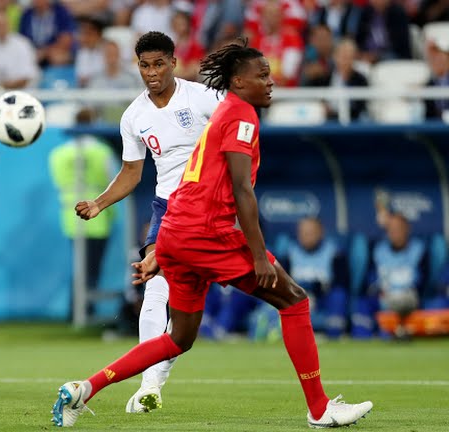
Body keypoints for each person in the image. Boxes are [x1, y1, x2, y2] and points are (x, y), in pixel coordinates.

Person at [51, 38, 373, 429]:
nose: (271, 82)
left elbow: (192, 182)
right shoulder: (239, 115)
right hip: (203, 230)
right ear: (238, 82)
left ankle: (84, 389)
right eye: (262, 76)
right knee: (294, 301)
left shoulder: (213, 105)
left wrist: (166, 248)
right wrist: (258, 255)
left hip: (177, 227)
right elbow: (242, 189)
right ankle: (320, 409)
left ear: (173, 63)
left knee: (180, 338)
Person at [72, 31, 221, 414]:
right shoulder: (134, 116)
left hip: (209, 206)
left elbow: (235, 137)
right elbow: (131, 172)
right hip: (167, 206)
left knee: (187, 316)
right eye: (144, 65)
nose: (152, 72)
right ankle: (149, 384)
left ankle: (154, 379)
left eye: (158, 64)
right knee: (154, 284)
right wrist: (99, 203)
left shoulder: (203, 97)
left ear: (173, 62)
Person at [49, 107, 118, 311]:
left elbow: (58, 182)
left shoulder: (58, 154)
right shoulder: (102, 151)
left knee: (80, 267)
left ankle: (76, 310)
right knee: (92, 267)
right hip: (98, 217)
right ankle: (85, 310)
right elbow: (111, 182)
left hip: (70, 216)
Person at [283, 217, 349, 339]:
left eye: (310, 233)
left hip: (323, 298)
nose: (306, 237)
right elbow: (282, 284)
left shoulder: (334, 253)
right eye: (303, 233)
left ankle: (334, 334)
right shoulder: (290, 253)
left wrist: (317, 288)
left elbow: (341, 284)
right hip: (298, 299)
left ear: (320, 233)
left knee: (338, 295)